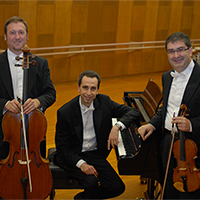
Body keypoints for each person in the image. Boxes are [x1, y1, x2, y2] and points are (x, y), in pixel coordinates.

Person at [54, 70, 141, 199]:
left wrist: (117, 127)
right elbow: (62, 148)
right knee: (91, 183)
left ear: (98, 90)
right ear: (78, 88)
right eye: (85, 88)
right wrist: (81, 164)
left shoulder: (104, 102)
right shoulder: (65, 112)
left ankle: (83, 198)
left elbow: (133, 112)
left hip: (94, 153)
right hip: (72, 154)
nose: (89, 93)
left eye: (93, 88)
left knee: (117, 187)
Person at [138, 32, 200, 199]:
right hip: (168, 141)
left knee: (190, 192)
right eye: (171, 51)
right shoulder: (167, 77)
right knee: (169, 188)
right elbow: (166, 108)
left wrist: (192, 124)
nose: (176, 55)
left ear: (191, 50)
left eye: (180, 50)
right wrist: (151, 124)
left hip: (193, 146)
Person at [0, 16, 56, 160]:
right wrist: (5, 104)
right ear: (5, 37)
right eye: (12, 33)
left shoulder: (41, 63)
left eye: (21, 32)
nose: (17, 37)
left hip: (33, 130)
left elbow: (50, 93)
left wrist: (38, 102)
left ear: (27, 36)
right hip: (3, 133)